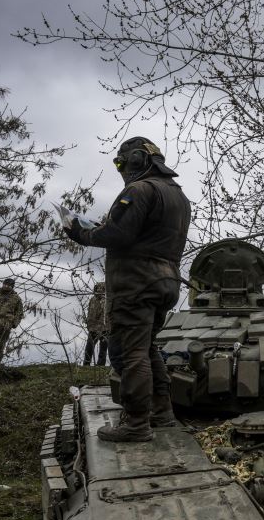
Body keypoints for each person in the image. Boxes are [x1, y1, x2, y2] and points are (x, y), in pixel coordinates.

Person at [65, 136, 191, 442]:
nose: (120, 170)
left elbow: (118, 234)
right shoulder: (178, 195)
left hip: (136, 282)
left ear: (137, 159)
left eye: (122, 163)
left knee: (129, 352)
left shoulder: (139, 189)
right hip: (166, 281)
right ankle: (161, 413)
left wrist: (80, 232)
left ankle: (135, 424)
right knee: (147, 349)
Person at [83, 282, 109, 367]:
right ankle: (86, 364)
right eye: (97, 288)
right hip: (93, 328)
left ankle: (100, 365)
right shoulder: (92, 300)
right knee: (89, 347)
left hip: (105, 328)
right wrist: (89, 324)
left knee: (103, 348)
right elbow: (90, 313)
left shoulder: (106, 300)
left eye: (101, 289)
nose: (99, 290)